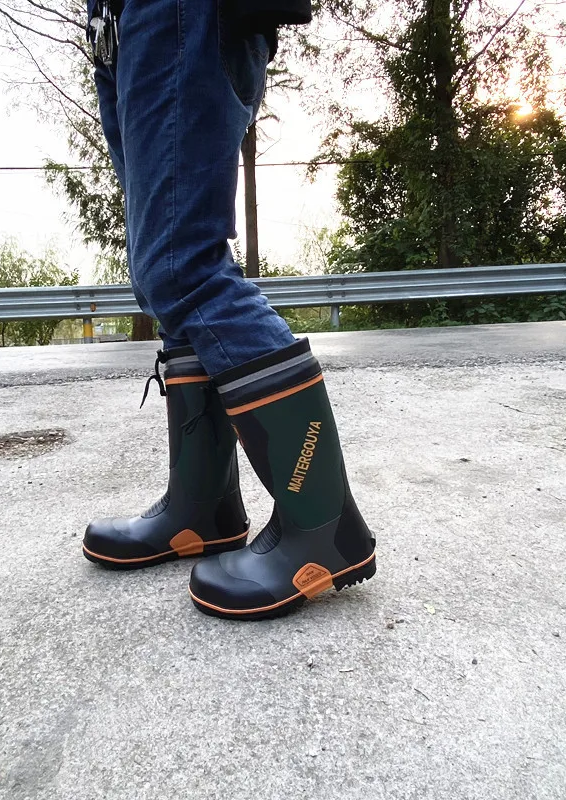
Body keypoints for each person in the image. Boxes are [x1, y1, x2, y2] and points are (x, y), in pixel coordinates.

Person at [81, 0, 375, 619]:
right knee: (163, 275)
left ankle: (324, 528)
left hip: (177, 11)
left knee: (183, 265)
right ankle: (203, 509)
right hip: (118, 26)